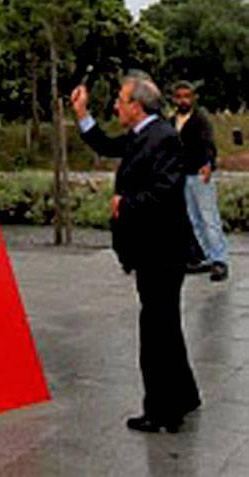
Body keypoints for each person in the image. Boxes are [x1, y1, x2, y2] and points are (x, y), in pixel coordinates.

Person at [70, 71, 200, 433]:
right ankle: (185, 396)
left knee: (156, 331)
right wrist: (82, 114)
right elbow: (107, 146)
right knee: (166, 325)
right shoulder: (142, 135)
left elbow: (166, 191)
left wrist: (124, 204)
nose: (116, 105)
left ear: (137, 106)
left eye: (120, 100)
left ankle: (162, 411)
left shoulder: (163, 139)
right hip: (155, 250)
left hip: (162, 250)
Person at [171, 81, 229, 281]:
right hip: (182, 174)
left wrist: (208, 163)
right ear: (174, 98)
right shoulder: (173, 121)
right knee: (193, 219)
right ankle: (205, 256)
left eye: (187, 96)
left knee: (208, 217)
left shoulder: (199, 120)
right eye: (179, 96)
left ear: (193, 98)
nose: (183, 100)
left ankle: (219, 259)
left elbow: (208, 144)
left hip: (199, 173)